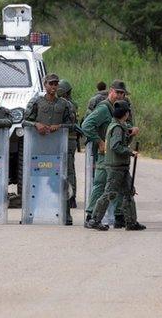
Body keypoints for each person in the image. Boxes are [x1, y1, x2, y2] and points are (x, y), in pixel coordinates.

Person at [81, 80, 139, 228]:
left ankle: (122, 217)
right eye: (118, 92)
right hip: (105, 156)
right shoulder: (103, 109)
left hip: (118, 156)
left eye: (123, 93)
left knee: (123, 187)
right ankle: (91, 217)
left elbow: (125, 126)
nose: (120, 95)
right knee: (101, 185)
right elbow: (86, 126)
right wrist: (99, 142)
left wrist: (130, 130)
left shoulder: (121, 108)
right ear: (111, 91)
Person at [24, 73, 74, 225]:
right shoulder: (36, 102)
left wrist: (59, 127)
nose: (53, 86)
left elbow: (72, 125)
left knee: (62, 181)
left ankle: (66, 215)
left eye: (55, 84)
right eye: (51, 84)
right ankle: (29, 215)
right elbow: (24, 121)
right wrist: (36, 125)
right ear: (45, 85)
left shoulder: (65, 104)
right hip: (38, 151)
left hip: (58, 150)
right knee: (35, 183)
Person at [56, 79, 79, 210]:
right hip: (69, 139)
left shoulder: (67, 105)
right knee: (69, 169)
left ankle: (70, 197)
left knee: (68, 170)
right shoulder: (72, 104)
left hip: (67, 139)